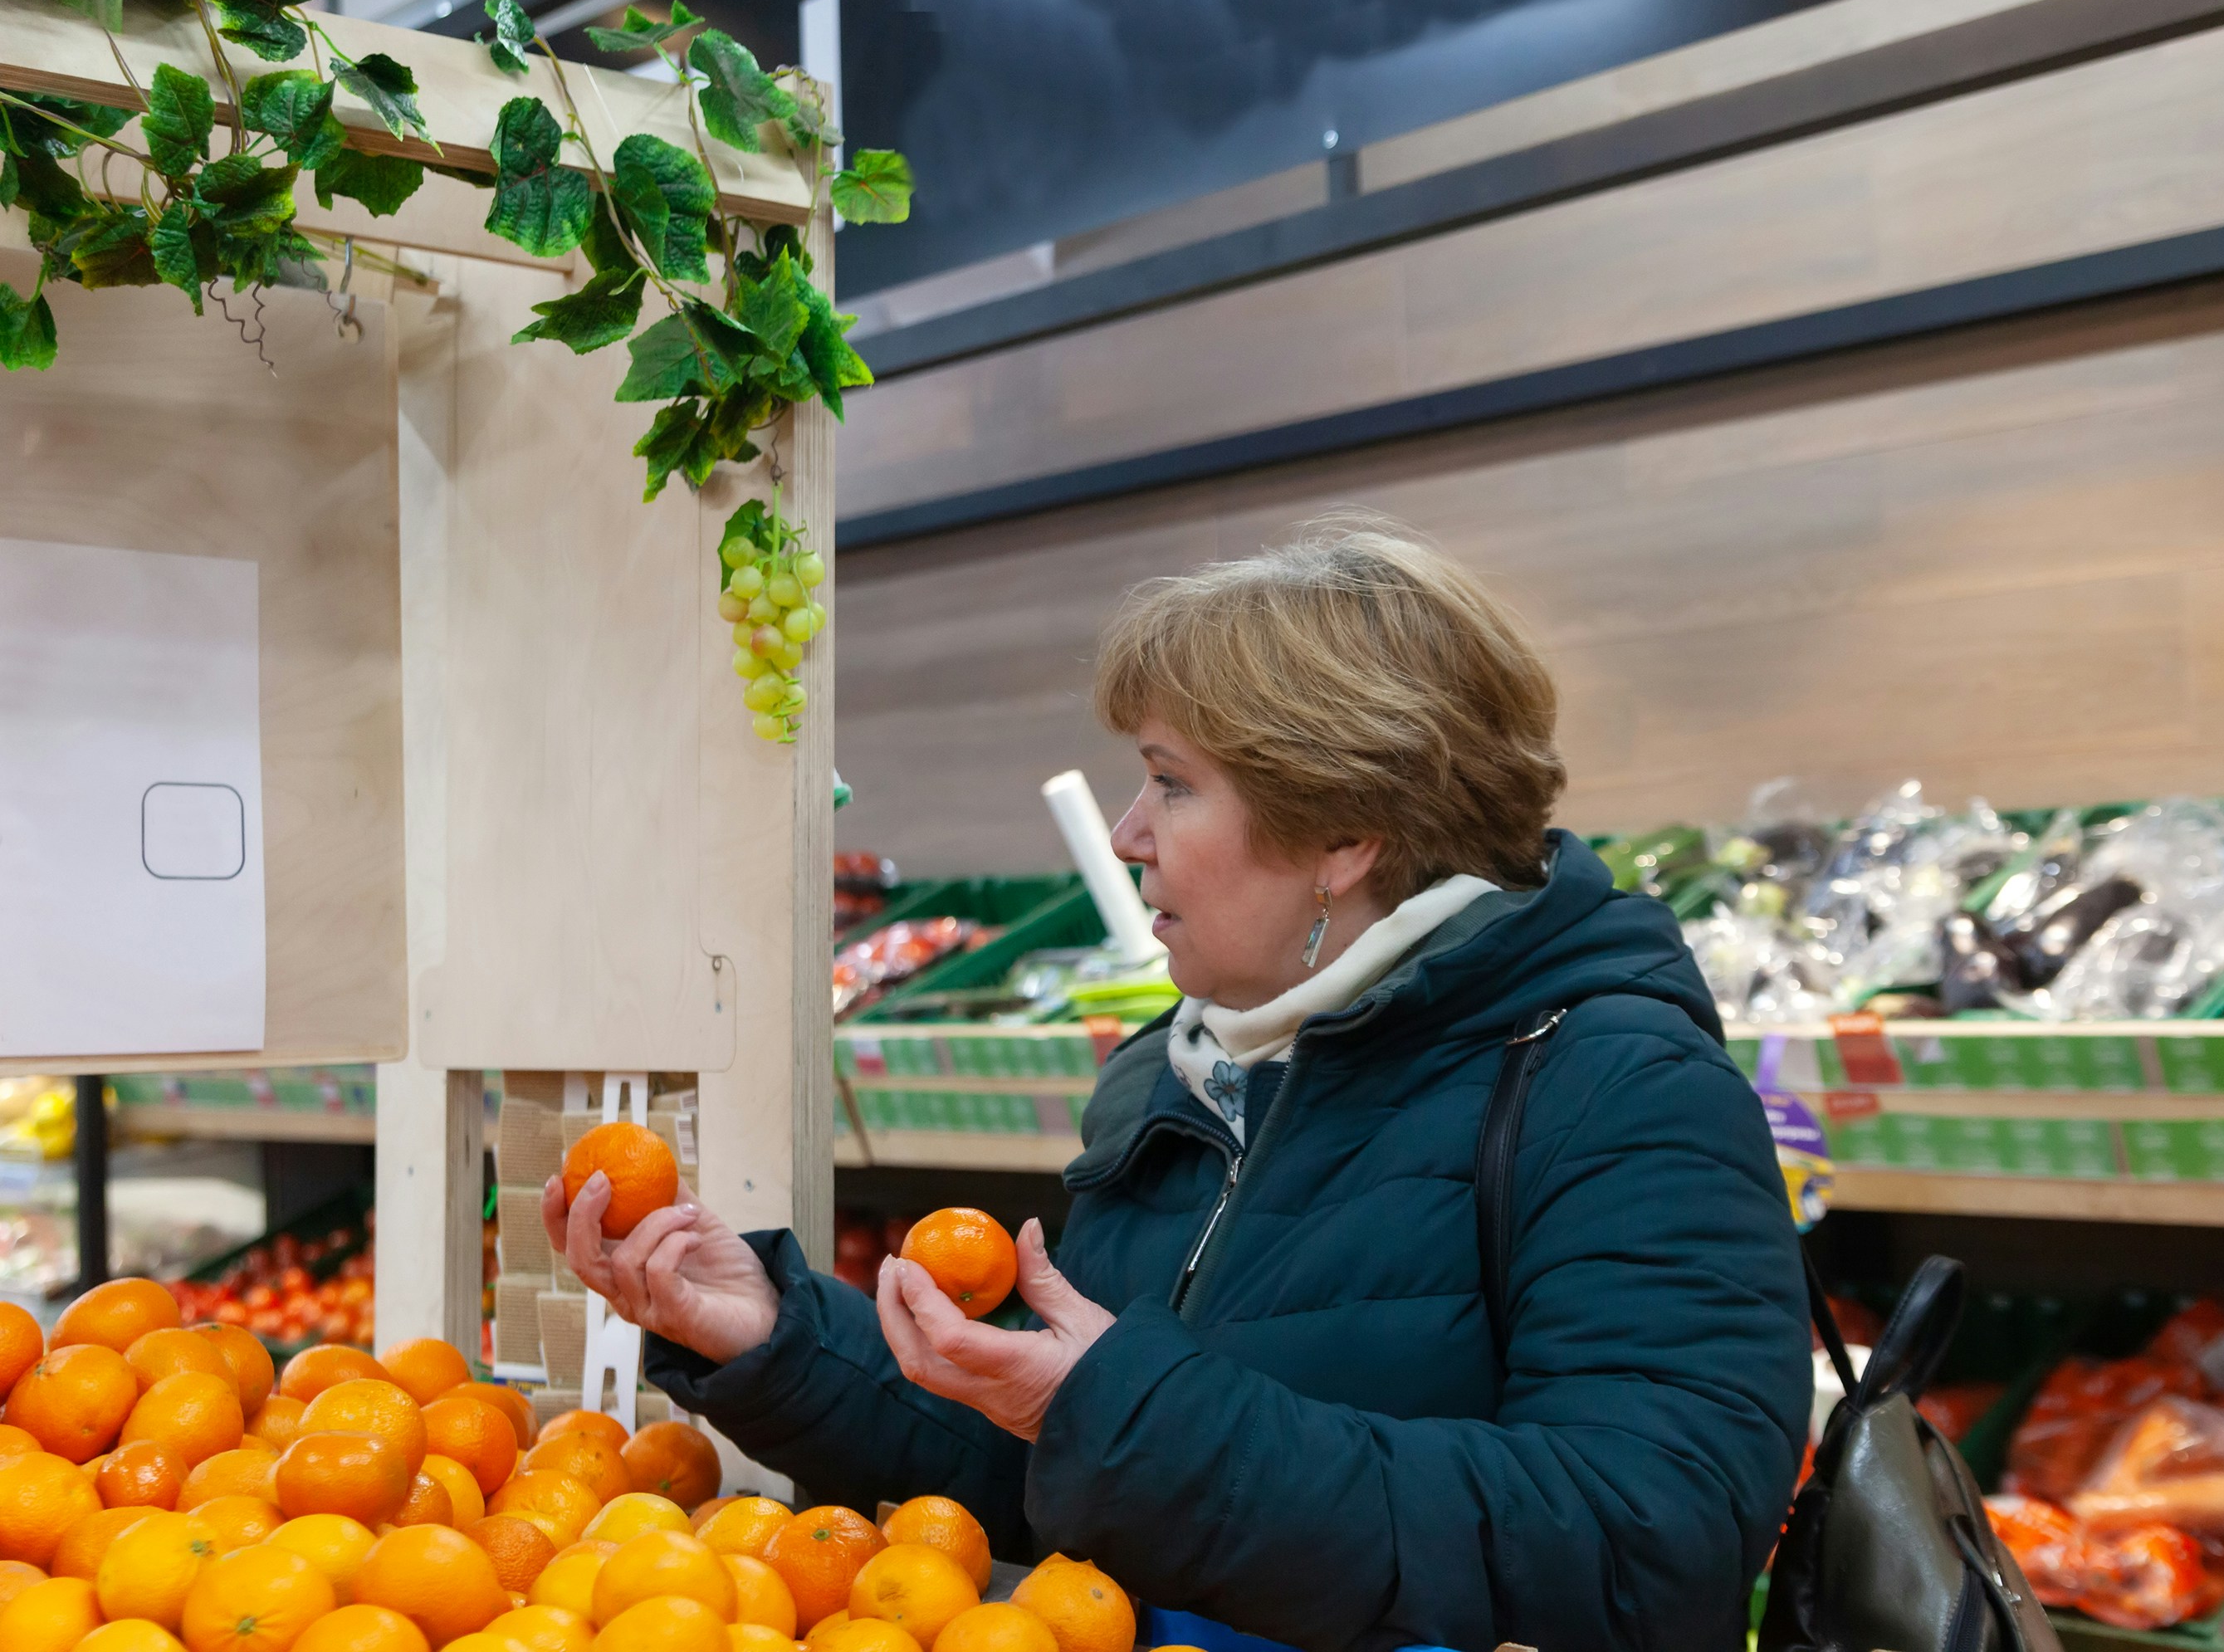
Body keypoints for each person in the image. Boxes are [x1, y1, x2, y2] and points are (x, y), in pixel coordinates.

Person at [545, 516, 1811, 1652]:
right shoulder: (1188, 1070)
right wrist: (774, 1334)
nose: (1126, 832)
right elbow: (1060, 1454)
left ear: (1342, 831)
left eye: (1171, 782)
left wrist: (1136, 1418)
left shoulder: (1617, 1091)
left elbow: (1651, 1548)